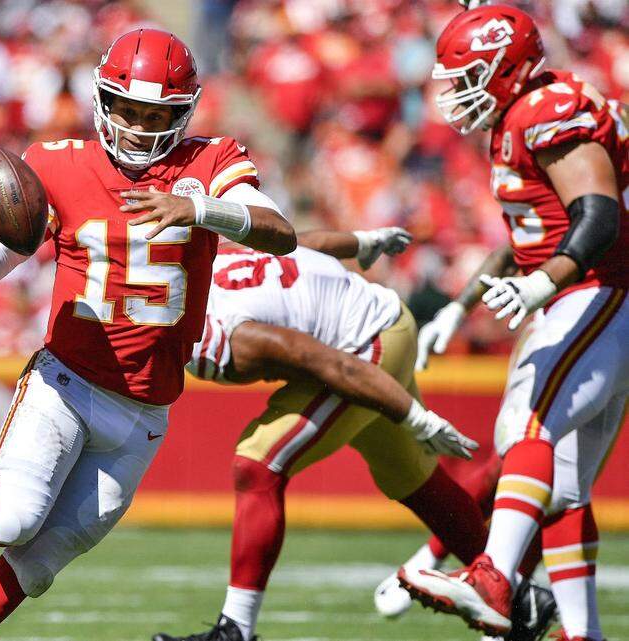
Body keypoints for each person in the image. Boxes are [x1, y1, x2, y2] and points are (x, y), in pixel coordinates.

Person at [0, 28, 297, 641]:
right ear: (102, 101)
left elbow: (278, 231)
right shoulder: (58, 162)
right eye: (127, 110)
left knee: (36, 569)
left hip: (144, 410)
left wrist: (199, 210)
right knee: (11, 521)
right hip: (65, 381)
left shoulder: (208, 161)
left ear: (183, 111)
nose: (139, 126)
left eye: (156, 114)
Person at [398, 6, 629, 640]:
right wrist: (460, 304)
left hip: (603, 286)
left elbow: (599, 216)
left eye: (470, 75)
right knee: (565, 486)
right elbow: (528, 231)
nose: (458, 91)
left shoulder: (547, 108)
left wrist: (540, 284)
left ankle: (494, 576)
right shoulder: (513, 120)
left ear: (509, 66)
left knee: (525, 422)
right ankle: (583, 634)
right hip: (586, 289)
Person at [149, 229, 496, 641]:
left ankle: (236, 629)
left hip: (362, 345)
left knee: (258, 462)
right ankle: (515, 593)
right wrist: (361, 243)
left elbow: (327, 364)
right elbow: (297, 245)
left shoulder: (218, 338)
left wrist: (415, 418)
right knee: (414, 482)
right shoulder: (209, 265)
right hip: (375, 320)